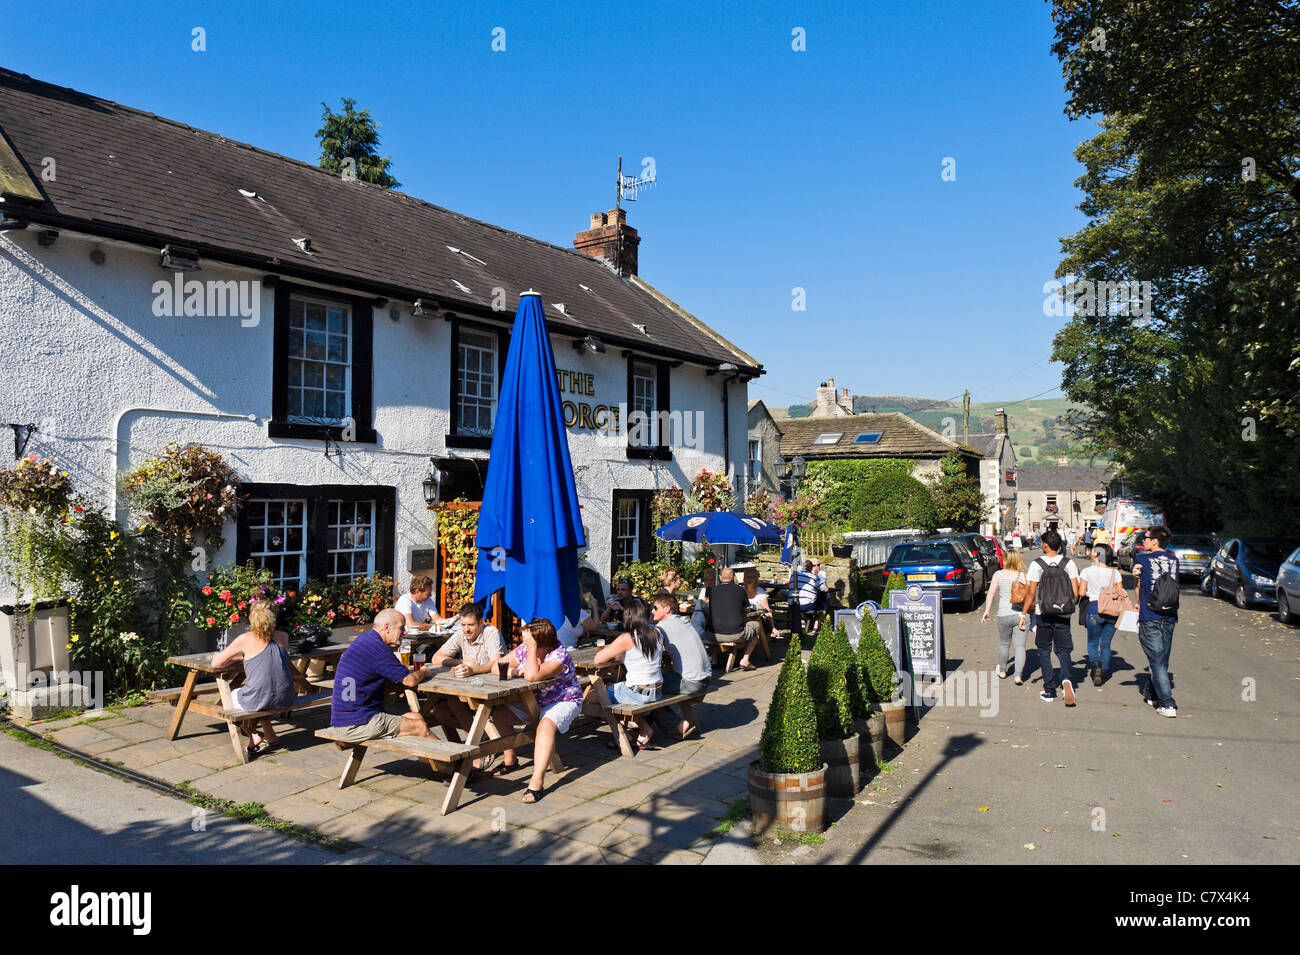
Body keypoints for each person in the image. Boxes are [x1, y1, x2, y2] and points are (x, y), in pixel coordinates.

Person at [490, 618, 583, 802]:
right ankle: (510, 759)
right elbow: (496, 667)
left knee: (545, 725)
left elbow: (532, 676)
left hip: (563, 700)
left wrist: (531, 651)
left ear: (543, 644)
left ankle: (536, 781)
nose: (525, 644)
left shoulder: (559, 655)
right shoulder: (525, 649)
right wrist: (517, 671)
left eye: (529, 641)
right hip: (535, 700)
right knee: (499, 715)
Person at [329, 609, 437, 741]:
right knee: (419, 726)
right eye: (401, 628)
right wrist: (424, 671)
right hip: (357, 723)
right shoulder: (378, 648)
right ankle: (452, 756)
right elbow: (409, 681)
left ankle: (433, 756)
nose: (405, 632)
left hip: (345, 719)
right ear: (387, 628)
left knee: (416, 717)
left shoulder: (364, 640)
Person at [211, 601, 296, 755]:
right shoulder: (283, 636)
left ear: (251, 618)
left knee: (232, 697)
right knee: (264, 690)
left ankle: (254, 735)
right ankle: (270, 736)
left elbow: (216, 663)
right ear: (273, 617)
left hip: (261, 697)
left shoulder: (246, 639)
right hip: (285, 697)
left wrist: (237, 658)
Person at [1024, 529, 1085, 705]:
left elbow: (1031, 592)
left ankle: (1050, 689)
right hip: (1064, 613)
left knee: (1044, 650)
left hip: (1043, 613)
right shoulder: (1068, 563)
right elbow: (1075, 593)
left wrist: (1023, 613)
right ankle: (1066, 679)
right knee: (1063, 649)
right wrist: (1067, 606)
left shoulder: (1037, 564)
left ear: (1045, 545)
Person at [429, 603, 506, 739]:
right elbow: (436, 658)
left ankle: (479, 741)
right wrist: (462, 662)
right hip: (469, 689)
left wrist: (474, 669)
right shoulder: (461, 633)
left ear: (481, 622)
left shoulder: (490, 632)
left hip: (494, 690)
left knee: (453, 701)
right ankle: (479, 738)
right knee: (440, 711)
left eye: (471, 625)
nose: (466, 629)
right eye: (463, 625)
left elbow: (496, 663)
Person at [593, 603, 663, 747]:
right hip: (657, 691)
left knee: (595, 695)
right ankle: (644, 728)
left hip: (638, 693)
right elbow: (627, 655)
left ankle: (623, 735)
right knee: (614, 689)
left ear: (629, 619)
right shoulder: (657, 632)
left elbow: (598, 659)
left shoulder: (627, 638)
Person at [647, 592, 712, 739]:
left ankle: (675, 725)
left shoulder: (663, 627)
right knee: (654, 686)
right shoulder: (683, 620)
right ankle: (641, 728)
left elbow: (648, 652)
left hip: (692, 681)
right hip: (705, 678)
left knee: (645, 690)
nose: (652, 611)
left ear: (667, 609)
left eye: (655, 608)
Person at [1131, 525, 1180, 717]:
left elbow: (1138, 585)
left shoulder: (1142, 559)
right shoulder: (1174, 560)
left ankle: (1167, 703)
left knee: (1157, 660)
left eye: (1146, 537)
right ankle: (1151, 693)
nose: (1143, 540)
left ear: (1155, 541)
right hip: (1169, 615)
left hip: (1150, 615)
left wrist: (1137, 603)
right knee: (1161, 658)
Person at [981, 551, 1029, 684]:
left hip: (1003, 614)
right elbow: (1031, 595)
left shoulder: (998, 574)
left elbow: (990, 593)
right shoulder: (1023, 575)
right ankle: (1018, 676)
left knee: (1004, 644)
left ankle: (1002, 670)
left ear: (1006, 560)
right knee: (1020, 646)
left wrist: (987, 610)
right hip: (1021, 615)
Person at [1080, 545, 1123, 686]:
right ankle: (1103, 671)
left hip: (1095, 609)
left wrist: (1091, 593)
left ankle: (1096, 664)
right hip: (1112, 611)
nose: (1090, 552)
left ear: (1097, 555)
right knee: (1106, 643)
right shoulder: (1115, 573)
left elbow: (1081, 593)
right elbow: (1120, 592)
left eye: (1093, 551)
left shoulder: (1087, 571)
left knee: (1092, 642)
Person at [710, 567, 763, 670]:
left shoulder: (712, 591)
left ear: (720, 578)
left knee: (707, 629)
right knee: (756, 625)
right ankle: (745, 659)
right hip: (734, 634)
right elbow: (747, 609)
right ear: (734, 578)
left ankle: (714, 660)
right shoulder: (740, 590)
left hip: (713, 635)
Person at [744, 568, 782, 645]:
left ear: (755, 579)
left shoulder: (760, 592)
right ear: (744, 578)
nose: (749, 579)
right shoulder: (741, 590)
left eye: (751, 577)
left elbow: (767, 611)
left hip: (759, 621)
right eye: (747, 577)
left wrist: (773, 627)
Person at [788, 559, 824, 637]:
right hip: (806, 605)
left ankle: (802, 623)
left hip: (791, 604)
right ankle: (815, 629)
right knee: (823, 606)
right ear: (811, 568)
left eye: (818, 565)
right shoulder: (814, 577)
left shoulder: (794, 575)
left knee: (799, 606)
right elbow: (825, 589)